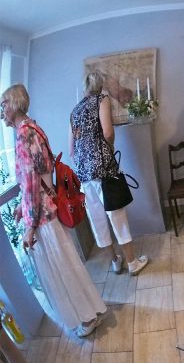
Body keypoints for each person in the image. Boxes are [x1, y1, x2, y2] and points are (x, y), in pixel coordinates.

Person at [1, 84, 106, 338]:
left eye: (3, 104)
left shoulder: (25, 133)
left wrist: (29, 225)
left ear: (15, 105)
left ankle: (87, 317)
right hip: (44, 212)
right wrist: (22, 210)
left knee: (61, 268)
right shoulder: (31, 129)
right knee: (66, 263)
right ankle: (90, 312)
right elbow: (36, 177)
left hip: (43, 219)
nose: (1, 110)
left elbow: (31, 181)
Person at [70, 72, 148, 276]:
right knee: (116, 215)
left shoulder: (75, 110)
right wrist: (109, 150)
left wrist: (84, 162)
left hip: (84, 174)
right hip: (103, 169)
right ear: (101, 86)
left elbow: (71, 149)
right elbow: (108, 133)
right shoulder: (102, 100)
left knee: (97, 220)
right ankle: (132, 263)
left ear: (85, 86)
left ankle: (115, 261)